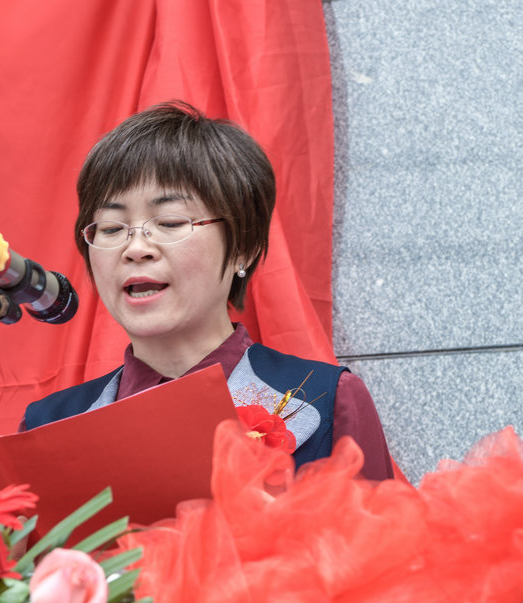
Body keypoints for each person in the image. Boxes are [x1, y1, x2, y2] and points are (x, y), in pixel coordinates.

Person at [20, 101, 393, 481]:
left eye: (169, 222)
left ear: (243, 247)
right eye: (112, 228)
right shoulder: (48, 426)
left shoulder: (324, 402)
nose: (136, 248)